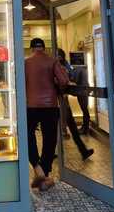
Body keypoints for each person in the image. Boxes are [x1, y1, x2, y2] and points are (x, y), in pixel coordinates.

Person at [25, 38, 69, 191]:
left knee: (28, 136)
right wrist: (55, 83)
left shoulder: (26, 62)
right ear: (44, 48)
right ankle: (45, 174)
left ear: (32, 49)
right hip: (50, 106)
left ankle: (38, 169)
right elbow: (64, 81)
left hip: (30, 106)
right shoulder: (52, 61)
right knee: (49, 140)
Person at [57, 49, 94, 159]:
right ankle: (82, 150)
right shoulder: (59, 66)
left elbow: (66, 79)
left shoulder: (64, 66)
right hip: (60, 99)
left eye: (59, 56)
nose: (58, 58)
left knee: (71, 124)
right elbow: (64, 80)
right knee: (65, 125)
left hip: (62, 99)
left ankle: (83, 150)